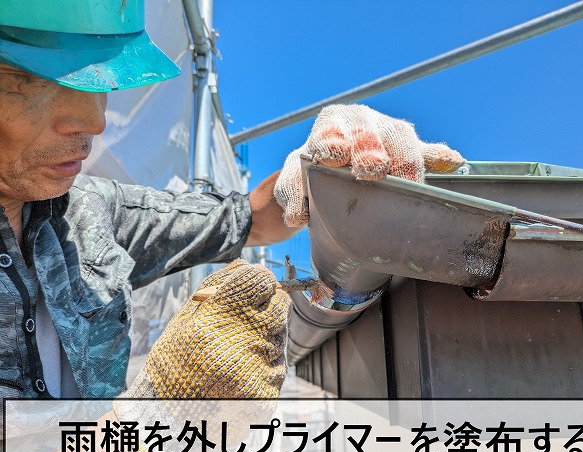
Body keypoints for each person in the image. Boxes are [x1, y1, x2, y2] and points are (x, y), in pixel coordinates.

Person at [0, 0, 464, 402]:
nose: (92, 121)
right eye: (33, 83)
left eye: (97, 82)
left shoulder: (91, 212)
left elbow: (248, 220)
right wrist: (149, 427)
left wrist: (318, 168)